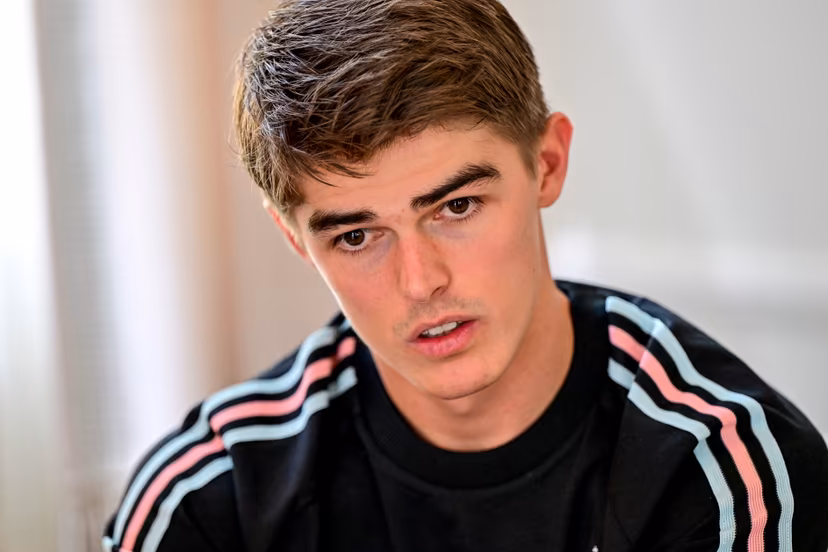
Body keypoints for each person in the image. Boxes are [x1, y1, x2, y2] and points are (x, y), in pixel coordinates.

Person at [102, 0, 828, 550]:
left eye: (456, 205)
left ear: (547, 164)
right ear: (295, 239)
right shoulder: (210, 499)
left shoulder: (723, 474)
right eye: (357, 235)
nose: (420, 282)